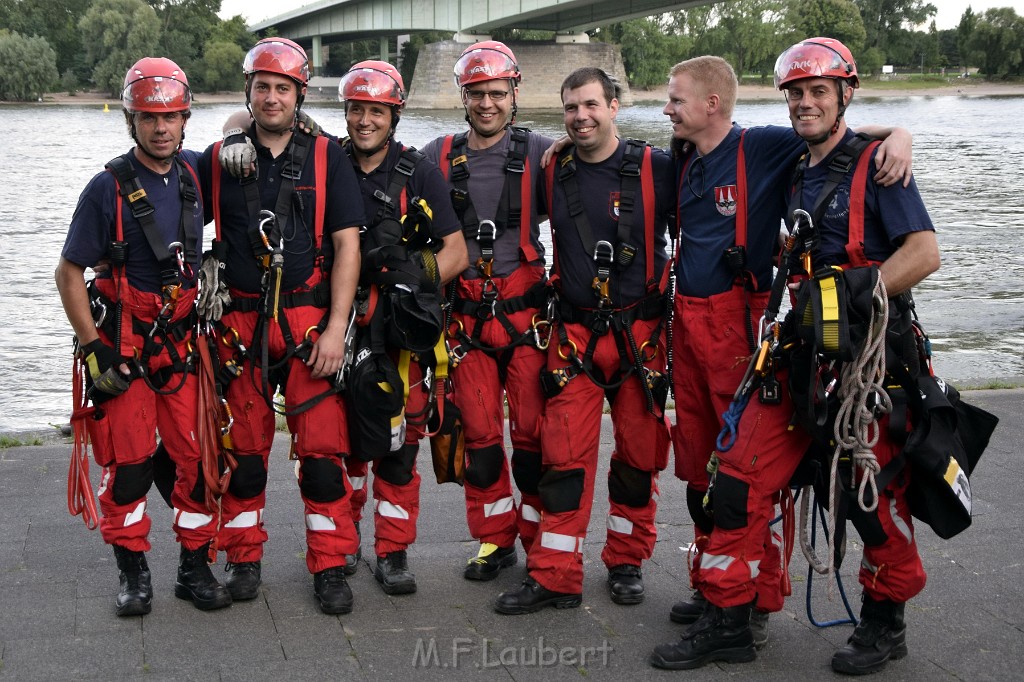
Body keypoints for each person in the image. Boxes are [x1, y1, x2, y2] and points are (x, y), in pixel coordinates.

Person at [650, 38, 939, 673]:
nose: (805, 103)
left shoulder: (875, 166)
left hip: (863, 366)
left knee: (868, 497)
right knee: (737, 479)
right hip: (794, 361)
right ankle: (730, 617)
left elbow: (924, 253)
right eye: (796, 94)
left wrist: (851, 294)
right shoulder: (798, 168)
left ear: (844, 95)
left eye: (818, 92)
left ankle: (885, 621)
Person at [494, 67, 675, 614]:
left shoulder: (657, 168)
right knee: (562, 459)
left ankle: (626, 560)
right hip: (574, 336)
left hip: (641, 337)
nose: (581, 117)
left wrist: (893, 137)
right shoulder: (552, 168)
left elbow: (733, 166)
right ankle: (555, 575)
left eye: (591, 105)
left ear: (615, 106)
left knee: (638, 458)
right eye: (571, 108)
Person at [55, 57, 232, 615]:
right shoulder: (104, 190)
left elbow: (245, 131)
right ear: (131, 121)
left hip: (183, 348)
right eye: (149, 118)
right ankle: (133, 573)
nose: (161, 128)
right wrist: (93, 347)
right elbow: (68, 273)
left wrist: (241, 137)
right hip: (126, 349)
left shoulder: (194, 173)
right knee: (129, 469)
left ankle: (194, 567)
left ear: (185, 119)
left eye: (172, 117)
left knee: (201, 464)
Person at [197, 37, 365, 614]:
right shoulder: (218, 161)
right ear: (249, 92)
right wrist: (227, 137)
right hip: (240, 323)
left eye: (283, 89)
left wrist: (339, 328)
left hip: (308, 321)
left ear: (300, 95)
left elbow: (347, 246)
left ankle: (331, 565)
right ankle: (243, 558)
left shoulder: (327, 157)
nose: (272, 98)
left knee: (321, 456)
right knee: (243, 455)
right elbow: (166, 192)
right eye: (262, 87)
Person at [419, 41, 554, 581]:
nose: (487, 104)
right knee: (479, 442)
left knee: (531, 440)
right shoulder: (435, 154)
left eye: (497, 93)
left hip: (525, 321)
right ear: (464, 96)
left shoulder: (546, 152)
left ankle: (544, 538)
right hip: (466, 322)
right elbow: (365, 159)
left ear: (514, 93)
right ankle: (494, 542)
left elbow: (601, 169)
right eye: (477, 94)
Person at [336, 60, 467, 594]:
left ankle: (392, 552)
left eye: (376, 111)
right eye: (356, 110)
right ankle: (339, 545)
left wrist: (413, 271)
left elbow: (456, 252)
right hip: (340, 328)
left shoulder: (420, 174)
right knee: (339, 446)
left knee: (399, 448)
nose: (365, 121)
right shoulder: (326, 163)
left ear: (393, 114)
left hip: (400, 333)